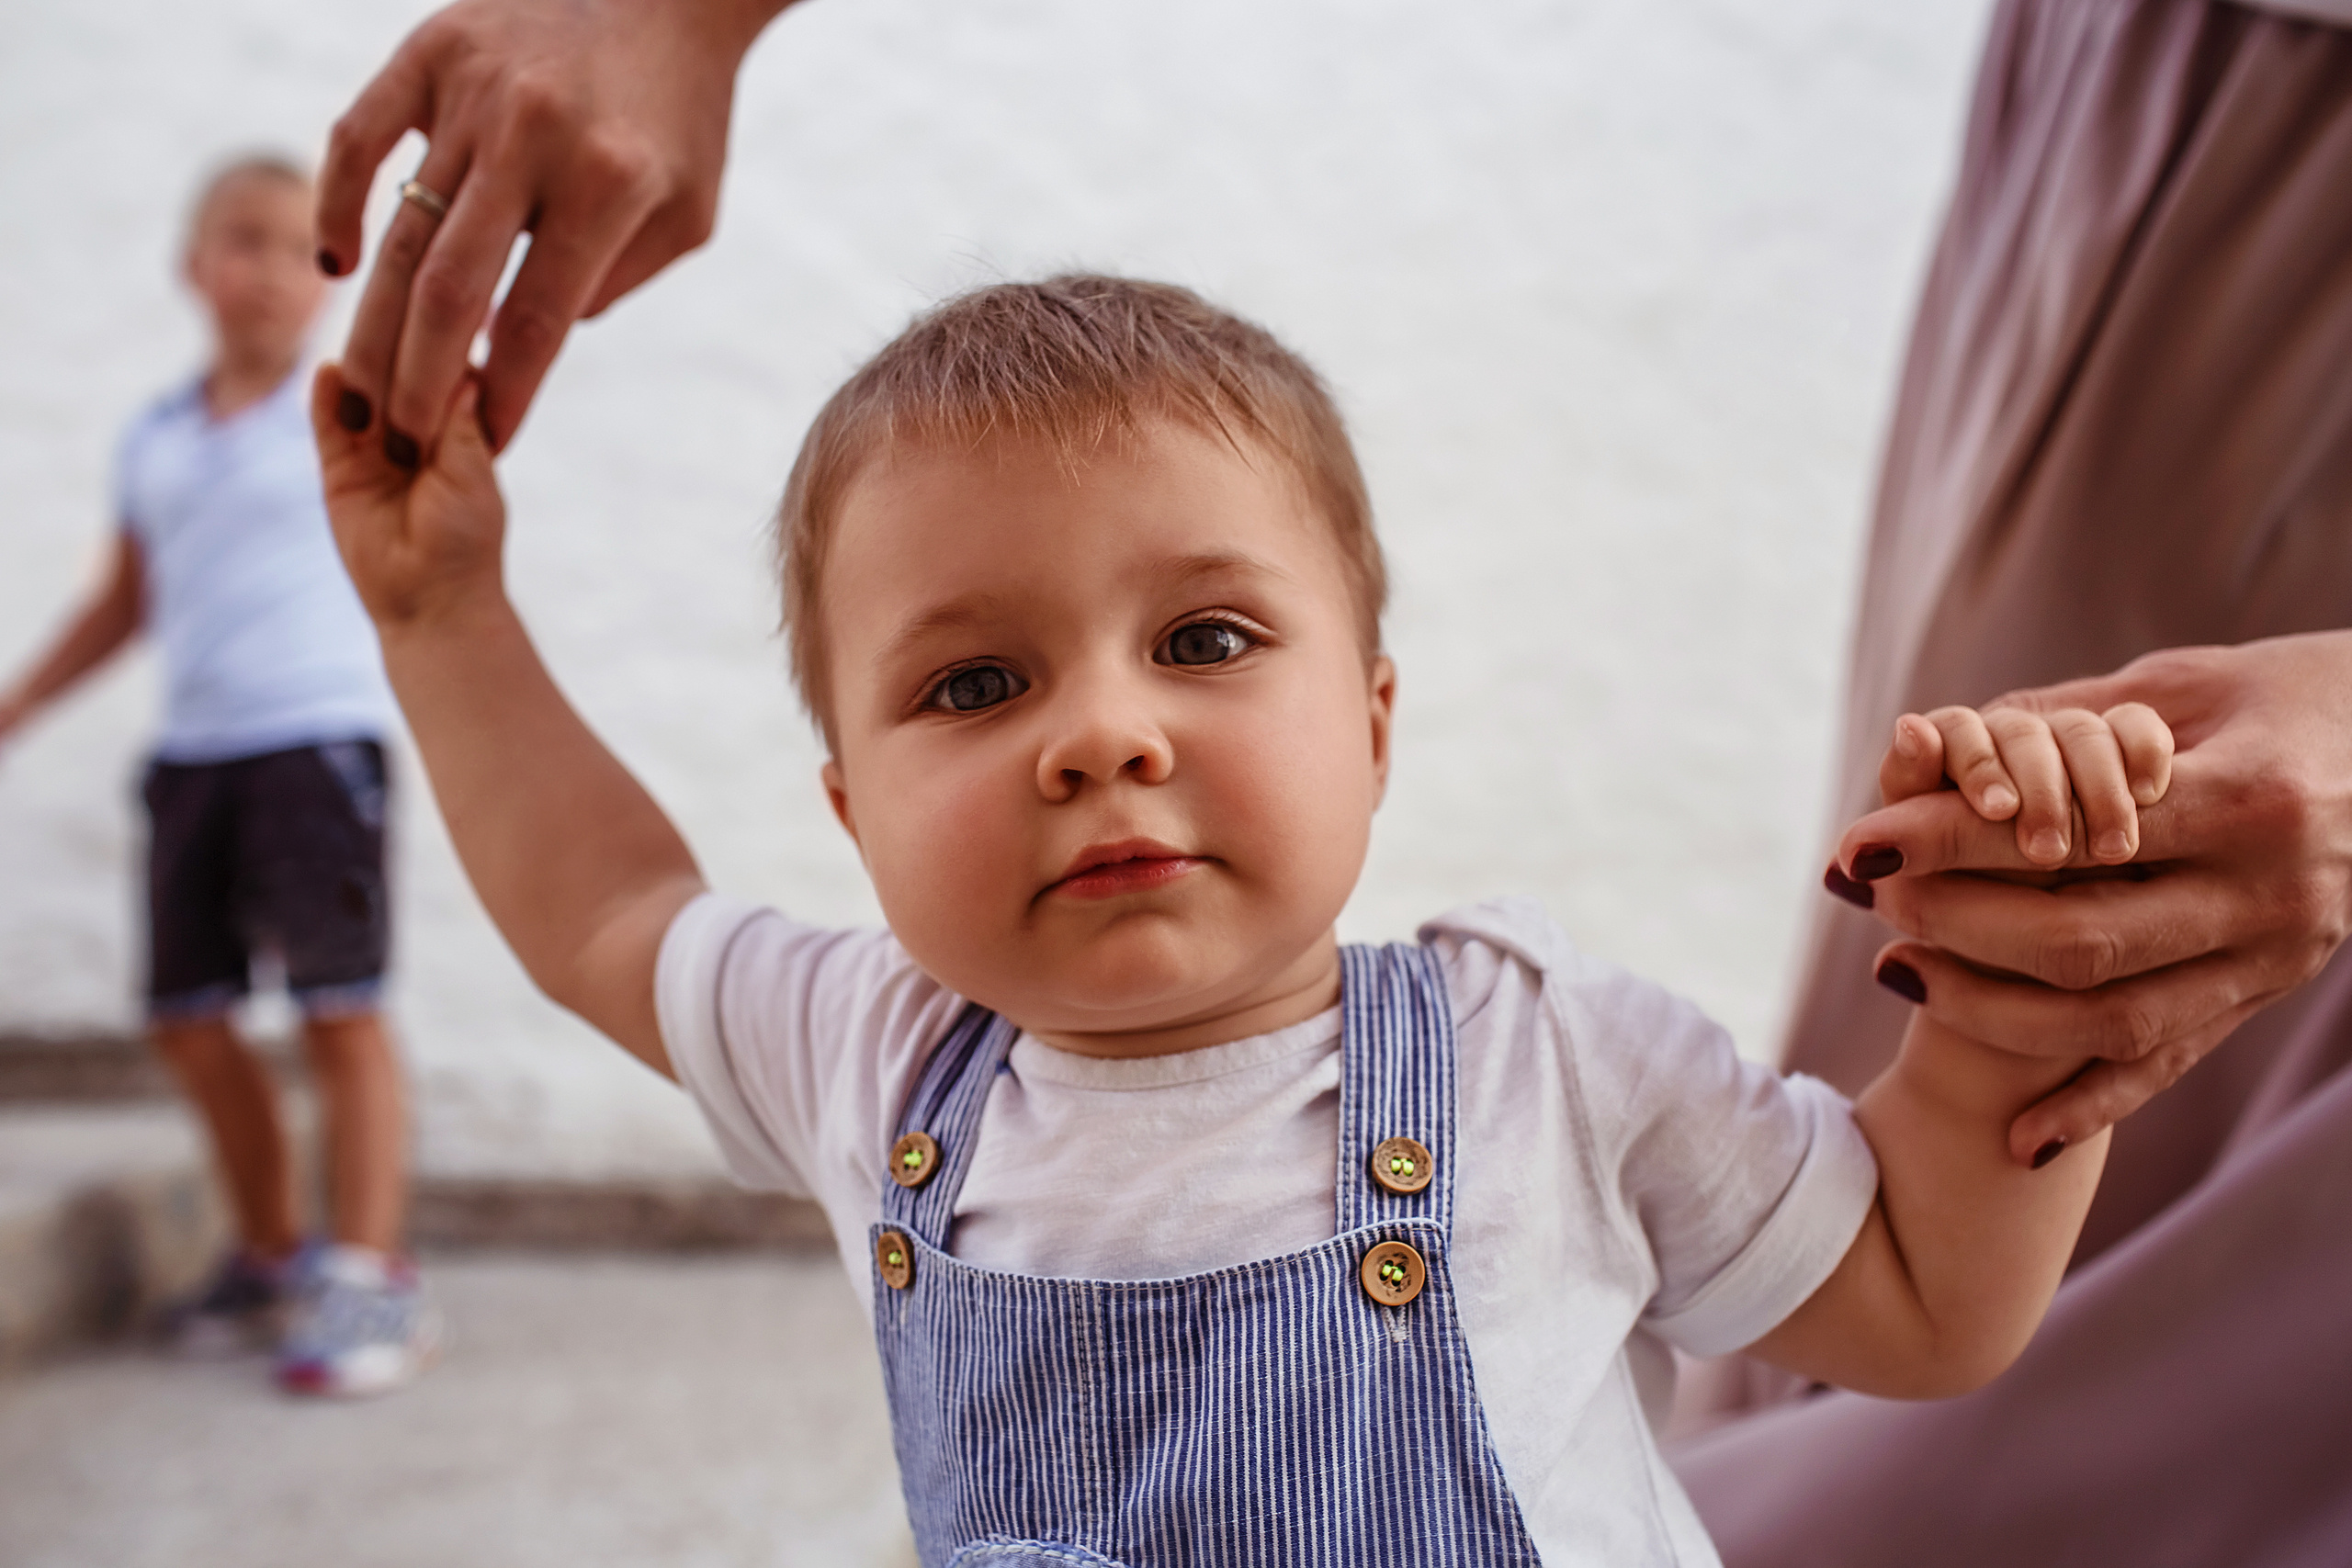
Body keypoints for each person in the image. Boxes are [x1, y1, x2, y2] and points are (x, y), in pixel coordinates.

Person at [319, 0, 2352, 1552]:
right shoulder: (869, 1054)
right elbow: (606, 908)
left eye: (1205, 641)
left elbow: (1918, 1300)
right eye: (974, 682)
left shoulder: (1541, 1060)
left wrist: (2016, 1020)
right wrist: (439, 613)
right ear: (848, 806)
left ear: (1374, 723)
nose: (1101, 733)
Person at [0, 155, 441, 1398]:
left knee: (339, 1006)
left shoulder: (347, 408)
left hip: (317, 744)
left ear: (329, 279)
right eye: (246, 240)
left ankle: (370, 1277)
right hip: (194, 757)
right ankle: (270, 1258)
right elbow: (128, 599)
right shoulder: (156, 436)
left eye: (304, 249)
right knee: (188, 1019)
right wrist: (20, 701)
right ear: (195, 265)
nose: (272, 269)